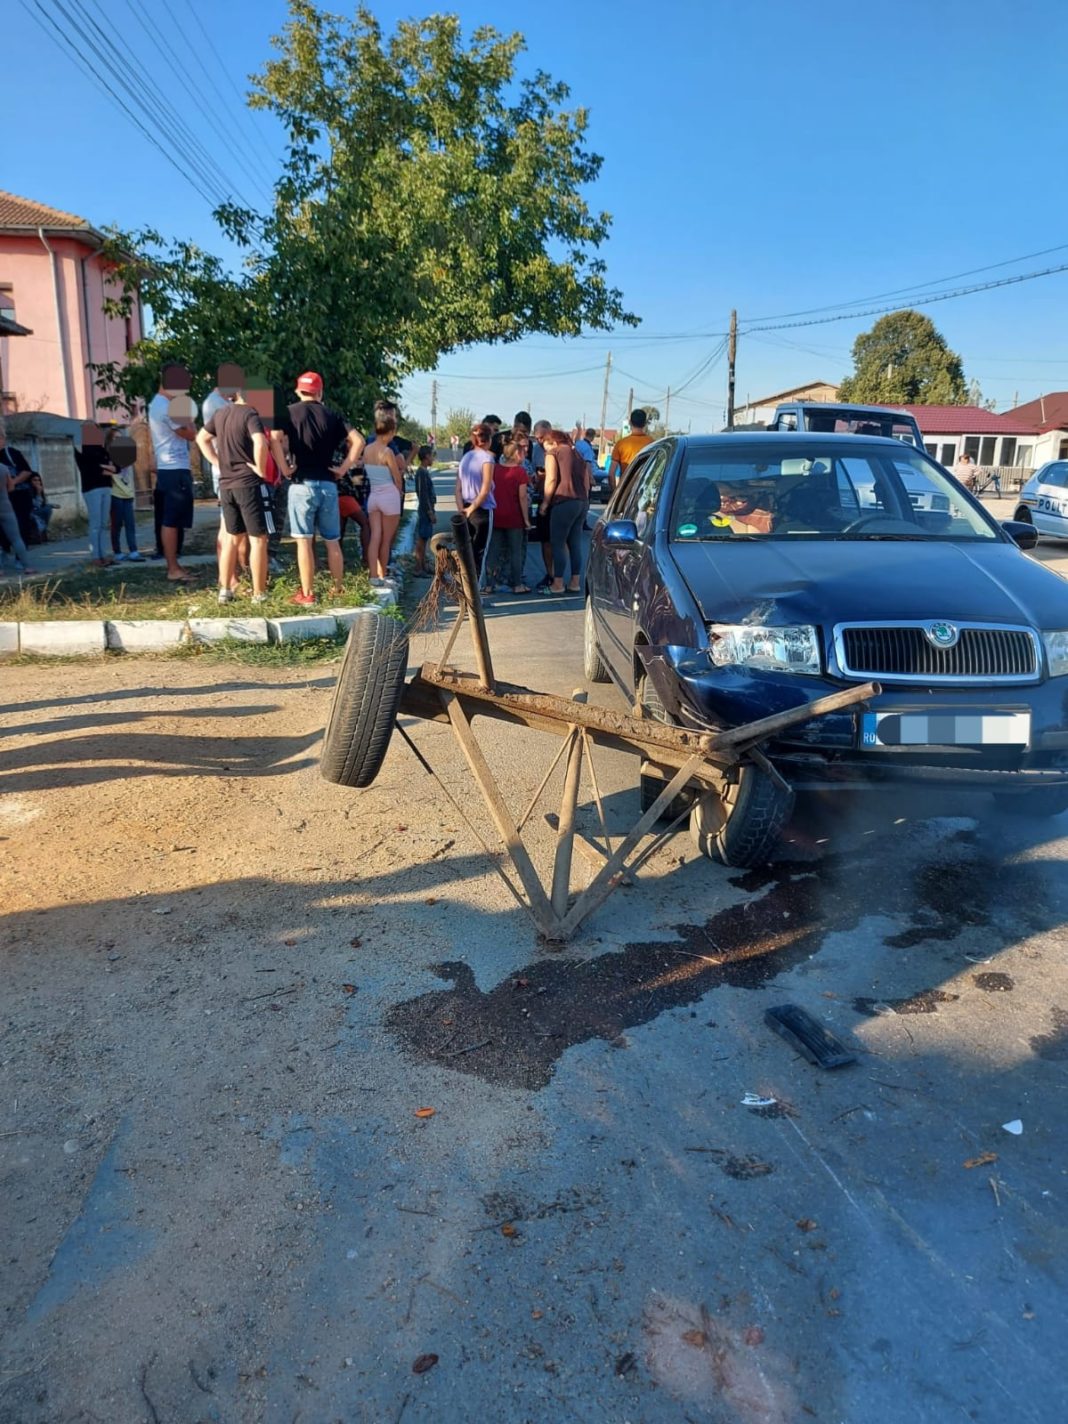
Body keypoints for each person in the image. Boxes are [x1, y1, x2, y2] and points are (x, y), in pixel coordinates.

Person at [272, 371, 364, 606]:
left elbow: (273, 437)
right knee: (332, 540)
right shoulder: (332, 415)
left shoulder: (289, 413)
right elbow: (359, 441)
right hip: (328, 484)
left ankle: (307, 593)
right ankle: (338, 589)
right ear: (320, 392)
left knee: (303, 541)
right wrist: (343, 469)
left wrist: (284, 468)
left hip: (301, 483)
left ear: (298, 391)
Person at [196, 381, 273, 604]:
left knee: (230, 537)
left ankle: (225, 589)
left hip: (226, 484)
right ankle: (259, 594)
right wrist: (259, 468)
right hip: (248, 483)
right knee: (258, 539)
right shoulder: (250, 414)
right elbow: (260, 442)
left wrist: (217, 462)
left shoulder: (220, 414)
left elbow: (201, 438)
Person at [147, 364, 197, 581]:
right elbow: (190, 434)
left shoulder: (160, 404)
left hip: (171, 468)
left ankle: (174, 566)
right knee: (171, 520)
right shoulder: (166, 407)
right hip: (173, 468)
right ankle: (173, 568)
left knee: (173, 520)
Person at [541, 429, 590, 595]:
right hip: (581, 501)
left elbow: (551, 479)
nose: (544, 449)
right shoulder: (578, 454)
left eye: (545, 445)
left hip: (564, 501)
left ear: (553, 442)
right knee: (575, 542)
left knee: (558, 543)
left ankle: (558, 583)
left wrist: (545, 503)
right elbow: (586, 480)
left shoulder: (554, 453)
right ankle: (575, 582)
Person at [361, 409, 405, 584]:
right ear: (390, 432)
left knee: (375, 536)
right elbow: (397, 477)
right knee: (386, 540)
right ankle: (382, 573)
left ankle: (373, 576)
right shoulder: (387, 452)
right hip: (389, 495)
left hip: (374, 496)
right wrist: (399, 492)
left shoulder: (367, 449)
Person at [488, 435, 533, 593]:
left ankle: (488, 583)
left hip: (496, 515)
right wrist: (526, 520)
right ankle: (517, 584)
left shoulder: (494, 469)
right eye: (522, 452)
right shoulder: (520, 472)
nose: (525, 454)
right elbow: (522, 497)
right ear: (516, 454)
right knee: (515, 551)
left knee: (493, 550)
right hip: (514, 517)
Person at [456, 422, 496, 588]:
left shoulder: (466, 458)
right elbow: (485, 489)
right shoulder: (488, 459)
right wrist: (473, 508)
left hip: (465, 508)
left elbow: (457, 488)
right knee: (480, 552)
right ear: (489, 439)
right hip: (482, 510)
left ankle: (464, 589)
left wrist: (462, 510)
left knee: (467, 551)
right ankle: (475, 593)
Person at [74, 422, 115, 567]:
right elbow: (91, 470)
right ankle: (96, 556)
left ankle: (104, 554)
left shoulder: (102, 449)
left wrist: (105, 467)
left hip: (106, 486)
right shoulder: (80, 449)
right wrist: (105, 468)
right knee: (95, 524)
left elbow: (115, 468)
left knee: (104, 524)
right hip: (92, 488)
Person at [0, 418, 37, 574]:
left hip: (18, 500)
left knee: (20, 530)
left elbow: (26, 471)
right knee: (16, 537)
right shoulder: (3, 468)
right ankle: (27, 566)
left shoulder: (12, 454)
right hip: (6, 504)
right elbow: (10, 487)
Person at [106, 429, 144, 562]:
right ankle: (117, 551)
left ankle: (133, 551)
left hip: (128, 494)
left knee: (130, 524)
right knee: (116, 525)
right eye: (115, 438)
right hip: (115, 494)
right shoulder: (107, 456)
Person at [530, 418, 554, 588]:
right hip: (540, 495)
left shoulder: (557, 448)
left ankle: (558, 576)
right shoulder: (536, 450)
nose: (538, 441)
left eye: (541, 437)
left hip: (555, 498)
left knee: (559, 541)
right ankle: (550, 574)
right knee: (545, 539)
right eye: (536, 437)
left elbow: (549, 476)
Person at [607, 408, 653, 494]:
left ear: (630, 423)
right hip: (644, 492)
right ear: (645, 423)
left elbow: (611, 474)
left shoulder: (621, 444)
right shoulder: (652, 444)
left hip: (625, 492)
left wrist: (615, 494)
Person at [413, 444, 437, 575]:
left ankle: (423, 565)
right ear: (427, 456)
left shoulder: (424, 472)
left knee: (425, 538)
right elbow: (423, 495)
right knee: (422, 539)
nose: (433, 459)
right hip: (425, 510)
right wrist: (430, 512)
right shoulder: (421, 473)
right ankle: (418, 567)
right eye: (432, 456)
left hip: (427, 509)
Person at [28, 474, 55, 542]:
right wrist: (38, 493)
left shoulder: (39, 490)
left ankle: (42, 533)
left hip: (37, 512)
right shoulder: (28, 491)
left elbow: (42, 504)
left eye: (39, 480)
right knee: (46, 510)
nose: (37, 482)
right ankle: (38, 534)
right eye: (35, 480)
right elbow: (36, 505)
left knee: (48, 509)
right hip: (30, 512)